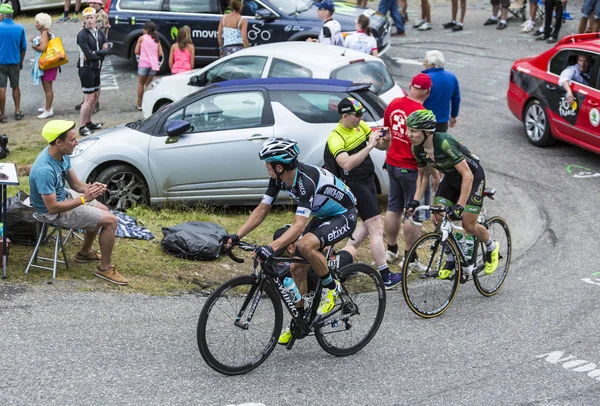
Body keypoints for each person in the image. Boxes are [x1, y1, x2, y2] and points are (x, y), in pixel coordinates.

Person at [225, 138, 358, 345]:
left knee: (305, 245)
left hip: (344, 214)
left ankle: (332, 288)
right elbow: (262, 210)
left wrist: (271, 247)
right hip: (323, 216)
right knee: (296, 266)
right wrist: (236, 236)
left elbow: (298, 226)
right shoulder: (278, 179)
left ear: (279, 166)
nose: (265, 166)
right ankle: (301, 318)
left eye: (268, 163)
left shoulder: (306, 181)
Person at [29, 120, 128, 285]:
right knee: (111, 221)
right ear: (58, 142)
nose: (76, 143)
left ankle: (85, 252)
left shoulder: (61, 155)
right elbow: (52, 208)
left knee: (104, 210)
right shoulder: (44, 170)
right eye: (72, 140)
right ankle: (105, 268)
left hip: (63, 198)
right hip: (52, 212)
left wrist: (91, 188)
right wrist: (83, 199)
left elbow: (75, 184)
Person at [405, 110, 500, 280]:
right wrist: (414, 201)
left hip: (472, 177)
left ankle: (492, 247)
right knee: (438, 217)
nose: (409, 134)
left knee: (468, 224)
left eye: (413, 131)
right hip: (451, 178)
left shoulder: (445, 143)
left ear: (427, 132)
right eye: (408, 130)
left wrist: (460, 206)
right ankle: (452, 258)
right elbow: (422, 175)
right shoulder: (417, 148)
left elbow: (468, 175)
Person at [325, 97, 403, 289]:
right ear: (344, 115)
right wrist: (369, 145)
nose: (361, 118)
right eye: (357, 115)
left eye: (362, 115)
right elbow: (347, 164)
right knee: (376, 227)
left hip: (368, 180)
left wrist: (385, 139)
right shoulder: (336, 137)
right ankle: (385, 276)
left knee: (366, 224)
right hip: (354, 184)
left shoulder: (360, 126)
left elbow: (381, 145)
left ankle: (342, 259)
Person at [383, 74, 438, 268]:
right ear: (428, 91)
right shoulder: (422, 114)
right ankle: (410, 258)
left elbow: (387, 134)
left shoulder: (394, 103)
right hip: (413, 169)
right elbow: (428, 148)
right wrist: (435, 175)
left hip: (392, 163)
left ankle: (391, 250)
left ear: (410, 86)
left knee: (393, 208)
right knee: (414, 213)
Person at [76, 7, 111, 136]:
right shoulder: (82, 35)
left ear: (95, 19)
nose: (89, 21)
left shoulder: (99, 33)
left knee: (95, 97)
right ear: (84, 20)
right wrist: (100, 53)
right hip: (86, 69)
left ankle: (89, 122)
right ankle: (82, 126)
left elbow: (108, 48)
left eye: (91, 18)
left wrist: (97, 52)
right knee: (89, 98)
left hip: (96, 68)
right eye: (87, 18)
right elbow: (89, 55)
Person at [74, 0, 108, 113]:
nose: (92, 4)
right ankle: (88, 102)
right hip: (87, 64)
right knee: (89, 91)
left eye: (94, 3)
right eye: (90, 3)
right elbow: (87, 52)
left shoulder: (102, 16)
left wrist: (96, 53)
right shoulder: (83, 33)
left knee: (95, 84)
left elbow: (104, 45)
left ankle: (95, 103)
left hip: (96, 52)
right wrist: (91, 53)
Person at [422, 50, 461, 133]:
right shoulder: (451, 77)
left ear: (432, 65)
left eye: (425, 62)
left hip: (424, 120)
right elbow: (456, 99)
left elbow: (415, 99)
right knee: (438, 144)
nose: (423, 64)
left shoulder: (424, 78)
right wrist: (453, 115)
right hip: (442, 122)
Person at [0, 3, 26, 124]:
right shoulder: (19, 28)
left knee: (1, 88)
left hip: (1, 63)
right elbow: (23, 47)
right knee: (15, 86)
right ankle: (17, 111)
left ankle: (3, 114)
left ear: (2, 15)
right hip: (14, 62)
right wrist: (21, 61)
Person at [32, 13, 57, 120]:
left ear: (42, 23)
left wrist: (33, 45)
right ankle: (47, 106)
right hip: (50, 63)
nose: (35, 24)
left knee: (48, 87)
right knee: (46, 86)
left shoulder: (44, 33)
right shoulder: (47, 32)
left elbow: (42, 48)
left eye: (37, 22)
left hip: (48, 64)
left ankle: (48, 109)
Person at [135, 21, 162, 110]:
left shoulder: (141, 38)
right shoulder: (156, 39)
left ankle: (140, 103)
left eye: (144, 28)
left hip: (143, 63)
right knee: (149, 84)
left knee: (140, 83)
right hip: (153, 65)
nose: (143, 30)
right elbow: (160, 53)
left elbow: (136, 51)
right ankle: (149, 102)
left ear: (146, 30)